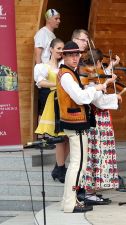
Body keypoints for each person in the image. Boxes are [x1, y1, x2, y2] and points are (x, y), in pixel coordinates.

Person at [57, 41, 118, 213]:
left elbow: (84, 95)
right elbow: (80, 98)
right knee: (78, 165)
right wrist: (97, 87)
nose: (75, 58)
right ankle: (71, 203)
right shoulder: (67, 75)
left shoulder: (70, 73)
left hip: (76, 122)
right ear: (64, 56)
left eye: (77, 55)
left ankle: (68, 200)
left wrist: (100, 87)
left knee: (78, 164)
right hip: (74, 122)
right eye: (71, 55)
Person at [79, 48, 126, 205]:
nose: (101, 68)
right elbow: (98, 100)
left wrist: (111, 67)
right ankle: (89, 192)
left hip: (100, 119)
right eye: (100, 65)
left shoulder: (94, 76)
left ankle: (93, 191)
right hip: (95, 120)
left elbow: (101, 80)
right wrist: (113, 88)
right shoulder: (87, 78)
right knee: (95, 155)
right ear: (97, 63)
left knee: (99, 155)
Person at [34, 38, 70, 183]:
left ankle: (58, 166)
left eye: (62, 49)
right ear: (51, 49)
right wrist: (57, 83)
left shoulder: (64, 66)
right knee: (60, 138)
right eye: (58, 48)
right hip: (53, 103)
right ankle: (60, 168)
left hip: (65, 102)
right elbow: (41, 82)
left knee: (67, 137)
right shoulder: (43, 66)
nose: (61, 51)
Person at [34, 9, 61, 121]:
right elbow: (37, 54)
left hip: (52, 71)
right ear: (48, 19)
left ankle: (49, 134)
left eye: (59, 18)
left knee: (51, 106)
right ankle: (42, 135)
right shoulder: (42, 33)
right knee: (44, 107)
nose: (59, 21)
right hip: (45, 73)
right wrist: (41, 74)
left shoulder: (52, 34)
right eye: (56, 18)